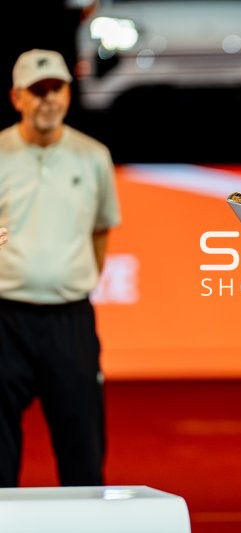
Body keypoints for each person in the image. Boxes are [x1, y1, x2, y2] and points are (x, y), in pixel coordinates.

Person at [0, 48, 121, 487]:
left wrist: (73, 277)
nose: (48, 99)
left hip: (70, 318)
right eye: (37, 91)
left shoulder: (93, 156)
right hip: (4, 319)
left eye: (56, 89)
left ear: (68, 94)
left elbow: (101, 229)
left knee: (82, 447)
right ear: (17, 98)